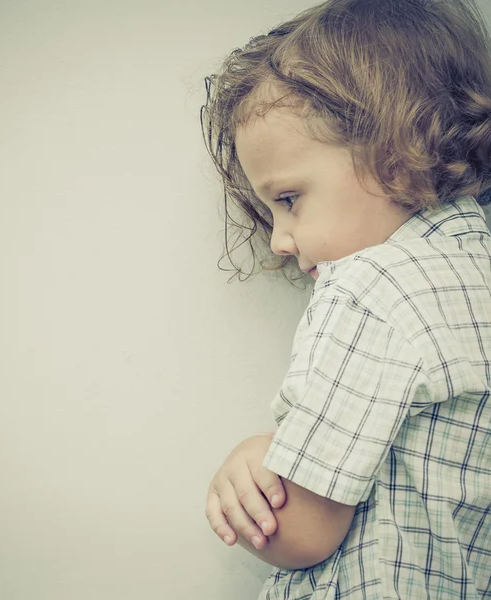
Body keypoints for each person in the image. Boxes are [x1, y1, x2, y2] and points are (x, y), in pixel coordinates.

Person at [200, 0, 491, 598]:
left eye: (286, 199)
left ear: (396, 150)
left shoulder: (367, 289)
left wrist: (260, 464)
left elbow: (304, 532)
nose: (279, 240)